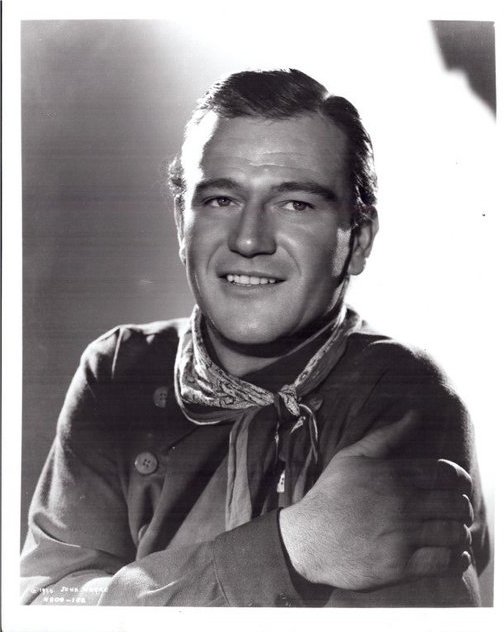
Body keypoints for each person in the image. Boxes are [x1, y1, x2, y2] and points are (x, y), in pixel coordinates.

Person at [21, 68, 489, 607]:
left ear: (358, 240)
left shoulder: (402, 393)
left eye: (296, 204)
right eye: (221, 199)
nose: (248, 240)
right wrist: (290, 549)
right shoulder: (118, 368)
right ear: (181, 222)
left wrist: (125, 596)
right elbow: (44, 605)